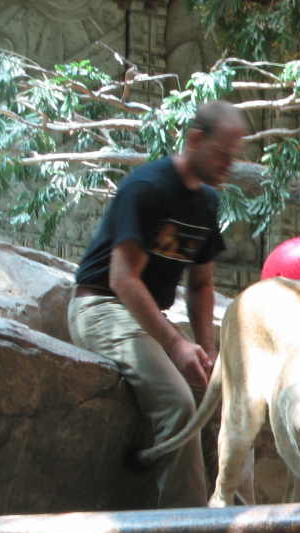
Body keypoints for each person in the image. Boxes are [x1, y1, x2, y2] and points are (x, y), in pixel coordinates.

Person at [67, 99, 247, 508]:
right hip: (100, 308)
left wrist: (207, 351)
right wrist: (176, 344)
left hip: (145, 317)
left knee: (215, 400)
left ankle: (238, 523)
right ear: (195, 140)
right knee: (179, 404)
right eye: (222, 153)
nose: (229, 165)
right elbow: (122, 278)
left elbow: (200, 285)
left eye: (234, 157)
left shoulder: (207, 203)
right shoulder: (147, 187)